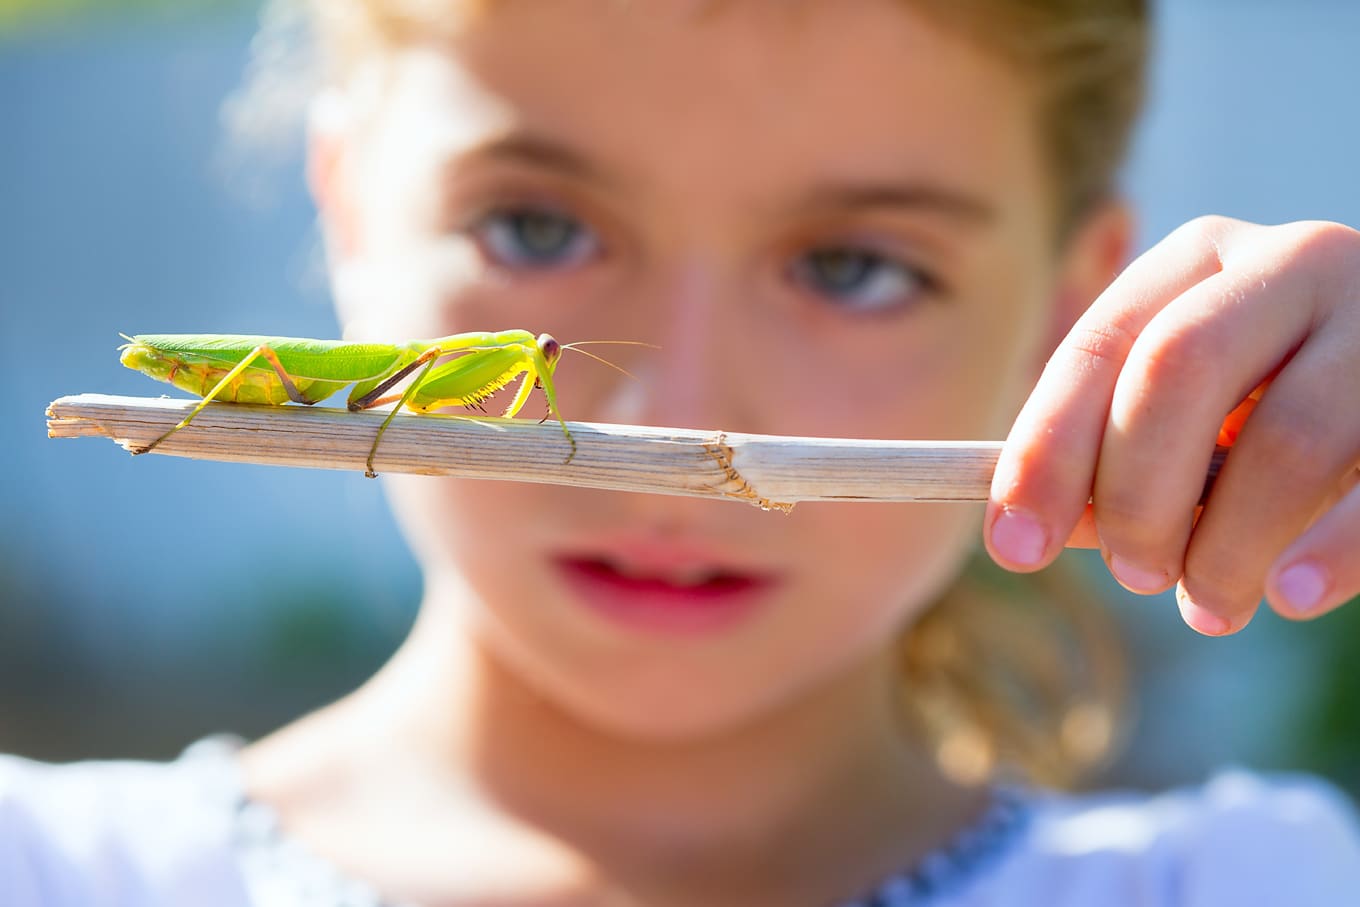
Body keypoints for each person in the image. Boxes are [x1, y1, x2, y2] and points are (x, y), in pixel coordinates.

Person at [4, 1, 1360, 904]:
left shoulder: (1250, 876)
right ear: (349, 213)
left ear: (1081, 305)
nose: (670, 396)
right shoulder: (56, 865)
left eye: (853, 265)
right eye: (536, 232)